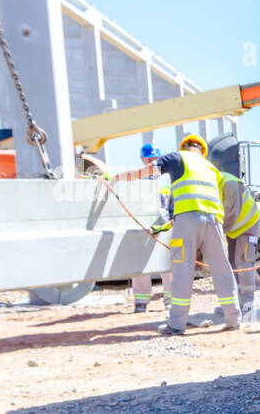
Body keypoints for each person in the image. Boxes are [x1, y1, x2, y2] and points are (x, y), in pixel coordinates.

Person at [91, 134, 239, 334]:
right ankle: (233, 319)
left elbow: (145, 172)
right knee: (222, 270)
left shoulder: (177, 158)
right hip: (214, 221)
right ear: (202, 152)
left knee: (182, 271)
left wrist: (114, 177)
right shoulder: (212, 168)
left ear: (184, 147)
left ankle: (177, 325)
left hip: (187, 220)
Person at [129, 143, 173, 313]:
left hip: (164, 225)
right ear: (142, 159)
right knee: (140, 264)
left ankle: (170, 300)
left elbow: (172, 200)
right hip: (142, 226)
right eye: (149, 159)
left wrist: (172, 219)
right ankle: (141, 301)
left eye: (155, 159)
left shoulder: (167, 178)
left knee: (168, 263)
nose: (152, 162)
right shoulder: (136, 178)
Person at [218, 170, 260, 318]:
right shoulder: (210, 185)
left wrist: (216, 232)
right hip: (233, 228)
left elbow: (231, 213)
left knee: (243, 261)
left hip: (247, 223)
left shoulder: (229, 183)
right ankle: (234, 303)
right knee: (231, 263)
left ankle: (247, 304)